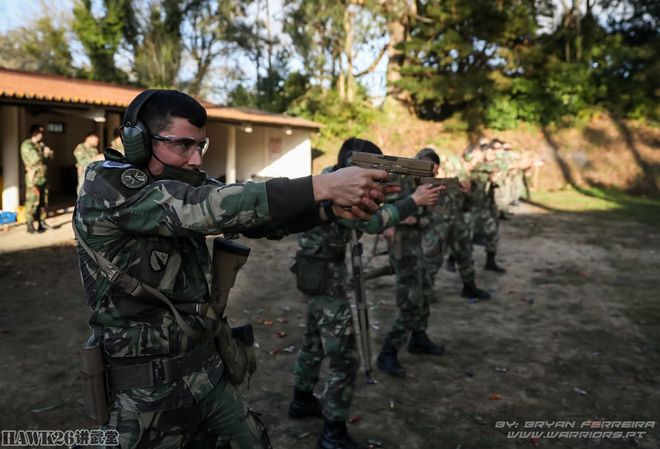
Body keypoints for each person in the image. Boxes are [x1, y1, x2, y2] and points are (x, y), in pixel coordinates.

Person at [73, 90, 391, 449]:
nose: (195, 159)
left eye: (200, 147)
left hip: (206, 373)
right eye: (183, 145)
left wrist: (329, 209)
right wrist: (323, 184)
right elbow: (206, 208)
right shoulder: (108, 189)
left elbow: (249, 212)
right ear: (139, 141)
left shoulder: (182, 179)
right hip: (144, 394)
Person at [290, 138, 441, 449]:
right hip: (324, 278)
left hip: (314, 272)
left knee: (313, 339)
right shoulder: (340, 190)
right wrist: (414, 200)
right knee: (344, 359)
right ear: (352, 165)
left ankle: (302, 399)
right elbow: (374, 223)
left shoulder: (328, 177)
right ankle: (333, 434)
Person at [376, 148, 446, 379]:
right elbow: (382, 208)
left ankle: (418, 336)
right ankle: (388, 351)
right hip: (402, 247)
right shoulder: (398, 178)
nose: (429, 174)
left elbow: (433, 216)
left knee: (424, 291)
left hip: (420, 247)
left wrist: (417, 218)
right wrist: (394, 221)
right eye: (426, 168)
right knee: (410, 299)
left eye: (433, 171)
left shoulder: (430, 185)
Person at [419, 149, 491, 300]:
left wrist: (467, 191)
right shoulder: (417, 183)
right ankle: (425, 292)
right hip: (435, 226)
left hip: (457, 222)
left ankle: (469, 286)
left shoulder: (455, 180)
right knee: (432, 259)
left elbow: (470, 204)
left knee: (465, 254)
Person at [20, 124, 53, 233]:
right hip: (33, 178)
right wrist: (45, 153)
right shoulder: (27, 145)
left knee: (44, 201)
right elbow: (35, 159)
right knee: (32, 200)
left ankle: (42, 222)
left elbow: (51, 155)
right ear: (34, 133)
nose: (41, 135)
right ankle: (29, 224)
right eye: (39, 133)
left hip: (43, 177)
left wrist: (47, 152)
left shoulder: (40, 145)